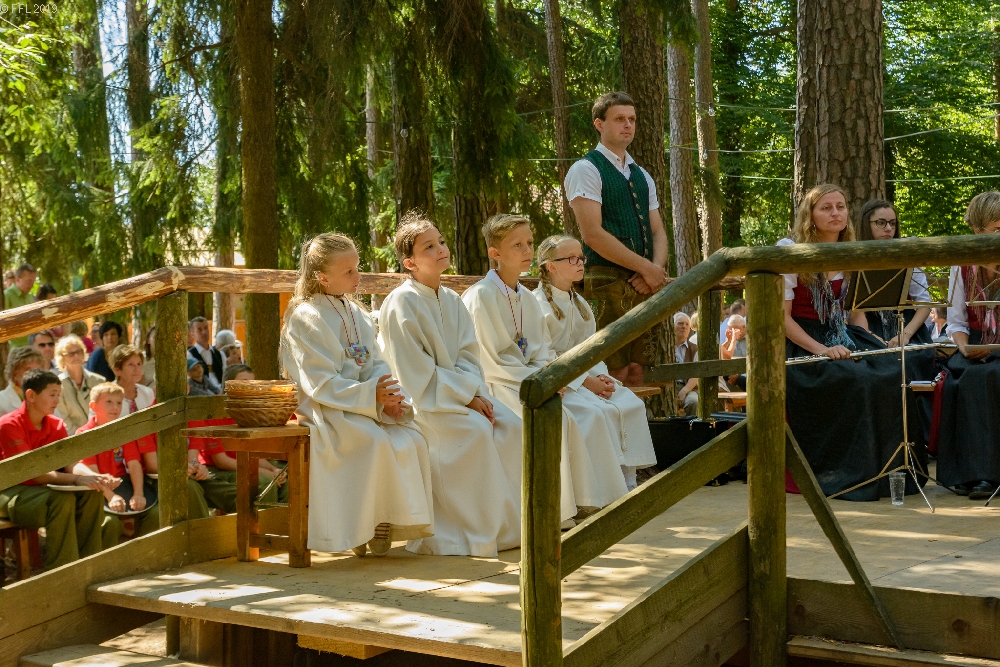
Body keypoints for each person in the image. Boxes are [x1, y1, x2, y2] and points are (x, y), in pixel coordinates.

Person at [463, 214, 627, 526]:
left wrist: (550, 378)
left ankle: (582, 501)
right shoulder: (481, 296)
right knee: (550, 418)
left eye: (529, 242)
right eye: (517, 245)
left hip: (530, 380)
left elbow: (540, 352)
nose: (527, 250)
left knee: (569, 416)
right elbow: (489, 360)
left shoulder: (525, 296)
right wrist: (537, 381)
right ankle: (551, 512)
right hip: (499, 384)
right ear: (495, 253)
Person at [280, 233, 433, 557]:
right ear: (322, 277)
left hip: (364, 404)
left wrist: (391, 398)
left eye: (357, 267)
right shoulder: (306, 316)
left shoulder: (356, 312)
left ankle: (384, 521)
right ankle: (360, 528)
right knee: (373, 441)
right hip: (327, 407)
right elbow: (318, 381)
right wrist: (370, 396)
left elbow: (376, 363)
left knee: (413, 438)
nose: (357, 276)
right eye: (348, 271)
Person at [379, 215, 522, 556]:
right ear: (410, 262)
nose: (441, 249)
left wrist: (473, 393)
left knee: (512, 426)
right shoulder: (401, 303)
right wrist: (466, 398)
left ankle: (508, 528)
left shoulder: (452, 300)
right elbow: (413, 372)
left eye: (441, 242)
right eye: (429, 246)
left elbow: (470, 355)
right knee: (476, 431)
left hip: (460, 395)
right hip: (423, 402)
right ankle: (465, 533)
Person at [782, 184, 927, 501]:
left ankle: (890, 473)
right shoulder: (790, 250)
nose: (836, 213)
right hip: (803, 342)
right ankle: (849, 475)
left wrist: (873, 341)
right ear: (810, 216)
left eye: (841, 206)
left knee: (892, 370)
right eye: (826, 208)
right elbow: (784, 319)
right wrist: (823, 350)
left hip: (843, 335)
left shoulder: (851, 251)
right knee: (856, 378)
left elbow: (855, 314)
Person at [533, 234, 657, 492]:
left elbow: (593, 349)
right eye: (572, 259)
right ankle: (601, 488)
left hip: (588, 378)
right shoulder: (537, 304)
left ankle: (629, 482)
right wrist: (586, 382)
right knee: (596, 415)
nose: (580, 263)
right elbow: (544, 354)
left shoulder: (581, 305)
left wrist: (602, 377)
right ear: (551, 266)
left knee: (630, 404)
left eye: (581, 257)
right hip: (562, 383)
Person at [565, 91, 670, 387]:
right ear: (599, 124)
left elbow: (658, 231)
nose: (628, 125)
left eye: (632, 119)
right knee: (612, 372)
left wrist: (654, 271)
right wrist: (647, 269)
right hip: (605, 281)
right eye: (619, 119)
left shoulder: (642, 175)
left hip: (644, 285)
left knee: (638, 370)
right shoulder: (586, 169)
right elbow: (592, 234)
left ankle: (636, 421)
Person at [0, 369, 115, 569]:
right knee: (61, 500)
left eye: (58, 395)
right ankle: (64, 571)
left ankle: (90, 566)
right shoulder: (9, 425)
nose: (57, 400)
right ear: (31, 395)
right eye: (52, 394)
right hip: (10, 492)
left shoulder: (56, 424)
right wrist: (77, 480)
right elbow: (36, 474)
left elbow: (70, 463)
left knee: (92, 491)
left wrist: (94, 477)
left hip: (43, 491)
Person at [937, 191, 1000, 500]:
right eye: (997, 229)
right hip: (974, 346)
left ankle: (988, 475)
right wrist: (963, 348)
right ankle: (966, 473)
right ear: (977, 230)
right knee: (954, 379)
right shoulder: (961, 265)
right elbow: (957, 323)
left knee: (986, 377)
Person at [79, 383, 159, 545]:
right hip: (98, 490)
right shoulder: (84, 434)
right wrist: (111, 496)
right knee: (111, 523)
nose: (115, 407)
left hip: (125, 485)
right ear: (93, 406)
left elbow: (134, 464)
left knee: (156, 513)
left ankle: (144, 553)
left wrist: (139, 493)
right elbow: (92, 472)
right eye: (109, 402)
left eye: (119, 403)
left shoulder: (123, 430)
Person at [856, 199, 933, 346]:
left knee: (919, 356)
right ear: (866, 224)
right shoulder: (852, 257)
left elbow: (924, 304)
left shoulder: (907, 254)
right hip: (866, 327)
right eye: (881, 223)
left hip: (906, 327)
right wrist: (870, 335)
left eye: (892, 223)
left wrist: (905, 335)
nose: (888, 228)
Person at [55, 334, 105, 435]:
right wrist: (81, 434)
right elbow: (63, 418)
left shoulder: (99, 381)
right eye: (71, 354)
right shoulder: (57, 386)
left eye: (78, 352)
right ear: (62, 358)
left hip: (102, 433)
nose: (76, 356)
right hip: (75, 437)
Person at [0, 346, 44, 416]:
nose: (34, 375)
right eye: (28, 370)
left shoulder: (45, 397)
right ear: (14, 373)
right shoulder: (2, 401)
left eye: (38, 370)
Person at [674, 312, 700, 416]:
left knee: (693, 402)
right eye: (680, 323)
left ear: (689, 329)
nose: (684, 327)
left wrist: (684, 391)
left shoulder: (694, 349)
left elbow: (695, 376)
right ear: (672, 327)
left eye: (687, 324)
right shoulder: (664, 348)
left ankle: (691, 426)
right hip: (666, 387)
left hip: (688, 387)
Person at [4, 264, 37, 347]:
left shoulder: (30, 298)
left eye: (33, 282)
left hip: (30, 346)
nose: (32, 285)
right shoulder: (6, 296)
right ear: (17, 280)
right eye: (29, 281)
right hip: (13, 348)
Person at [188, 317, 224, 387]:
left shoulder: (220, 354)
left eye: (206, 328)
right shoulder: (189, 355)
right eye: (199, 330)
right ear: (192, 335)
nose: (204, 332)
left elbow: (225, 376)